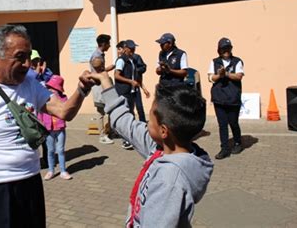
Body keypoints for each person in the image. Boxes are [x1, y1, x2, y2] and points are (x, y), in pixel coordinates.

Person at [0, 24, 94, 227]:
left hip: (30, 182)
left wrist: (82, 89)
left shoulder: (30, 84)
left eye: (29, 58)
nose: (27, 64)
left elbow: (64, 111)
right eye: (20, 57)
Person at [88, 70, 213, 227]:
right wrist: (105, 81)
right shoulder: (163, 148)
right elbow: (125, 123)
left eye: (150, 119)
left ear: (163, 131)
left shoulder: (169, 181)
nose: (146, 123)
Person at [208, 37, 245, 159]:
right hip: (219, 97)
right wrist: (219, 75)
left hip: (232, 97)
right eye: (224, 48)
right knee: (222, 124)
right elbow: (210, 78)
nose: (226, 51)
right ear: (219, 50)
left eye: (228, 48)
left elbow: (239, 76)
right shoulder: (214, 62)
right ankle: (224, 148)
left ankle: (238, 142)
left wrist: (227, 74)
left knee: (233, 122)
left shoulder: (237, 61)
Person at [38, 75, 72, 180]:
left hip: (60, 128)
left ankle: (63, 171)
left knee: (61, 150)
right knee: (50, 150)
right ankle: (51, 170)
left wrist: (57, 98)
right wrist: (41, 123)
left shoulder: (63, 98)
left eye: (53, 88)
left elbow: (66, 109)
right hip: (49, 129)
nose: (51, 89)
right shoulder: (44, 99)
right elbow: (40, 113)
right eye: (49, 87)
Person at [90, 35, 116, 144]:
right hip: (99, 87)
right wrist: (109, 68)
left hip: (102, 86)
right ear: (104, 44)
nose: (109, 46)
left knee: (109, 109)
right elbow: (99, 71)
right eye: (108, 43)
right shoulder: (96, 56)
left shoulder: (100, 55)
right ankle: (102, 135)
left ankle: (109, 131)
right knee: (101, 112)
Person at [115, 40, 140, 150]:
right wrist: (130, 81)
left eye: (134, 48)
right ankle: (125, 140)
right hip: (124, 91)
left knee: (131, 114)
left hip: (131, 91)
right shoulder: (121, 60)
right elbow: (117, 76)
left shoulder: (132, 60)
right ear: (125, 49)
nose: (133, 51)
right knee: (126, 116)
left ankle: (130, 138)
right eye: (131, 49)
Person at [132, 47, 150, 122]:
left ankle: (143, 124)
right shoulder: (122, 61)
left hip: (135, 88)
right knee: (129, 108)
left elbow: (137, 77)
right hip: (126, 89)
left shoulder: (136, 58)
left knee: (139, 107)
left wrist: (144, 89)